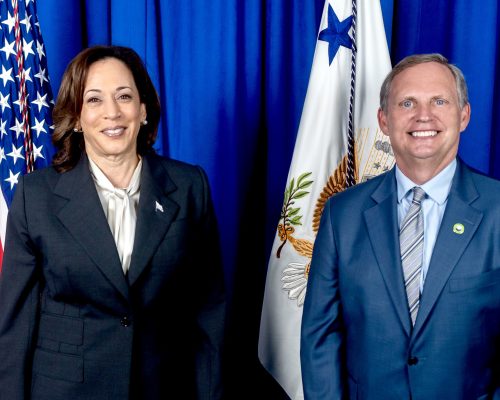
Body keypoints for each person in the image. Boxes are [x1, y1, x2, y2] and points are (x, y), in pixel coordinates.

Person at [0, 45, 225, 400]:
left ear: (144, 110)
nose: (112, 113)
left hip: (163, 388)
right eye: (94, 100)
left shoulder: (188, 187)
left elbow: (208, 312)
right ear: (75, 118)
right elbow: (15, 328)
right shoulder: (35, 196)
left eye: (124, 96)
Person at [300, 53, 500, 399]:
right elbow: (321, 337)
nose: (424, 115)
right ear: (383, 119)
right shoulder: (341, 214)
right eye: (407, 103)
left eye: (440, 101)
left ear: (464, 115)